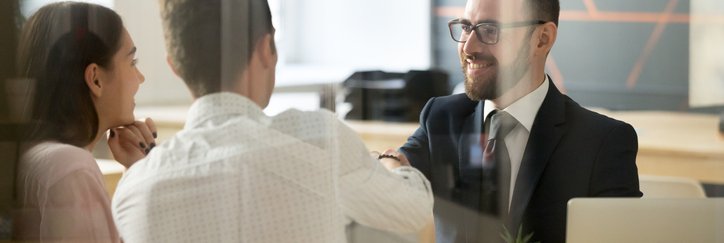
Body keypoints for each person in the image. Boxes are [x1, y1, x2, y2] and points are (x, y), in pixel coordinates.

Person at [110, 0, 433, 242]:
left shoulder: (134, 188)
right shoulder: (318, 137)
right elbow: (412, 212)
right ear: (266, 48)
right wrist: (393, 163)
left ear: (175, 66)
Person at [397, 0, 642, 242]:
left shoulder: (603, 142)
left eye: (490, 30)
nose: (468, 47)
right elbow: (393, 175)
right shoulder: (442, 117)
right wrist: (390, 165)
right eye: (465, 27)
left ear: (542, 38)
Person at [14, 2, 156, 242]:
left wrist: (135, 171)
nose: (140, 78)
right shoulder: (71, 166)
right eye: (132, 63)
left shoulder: (36, 155)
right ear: (95, 79)